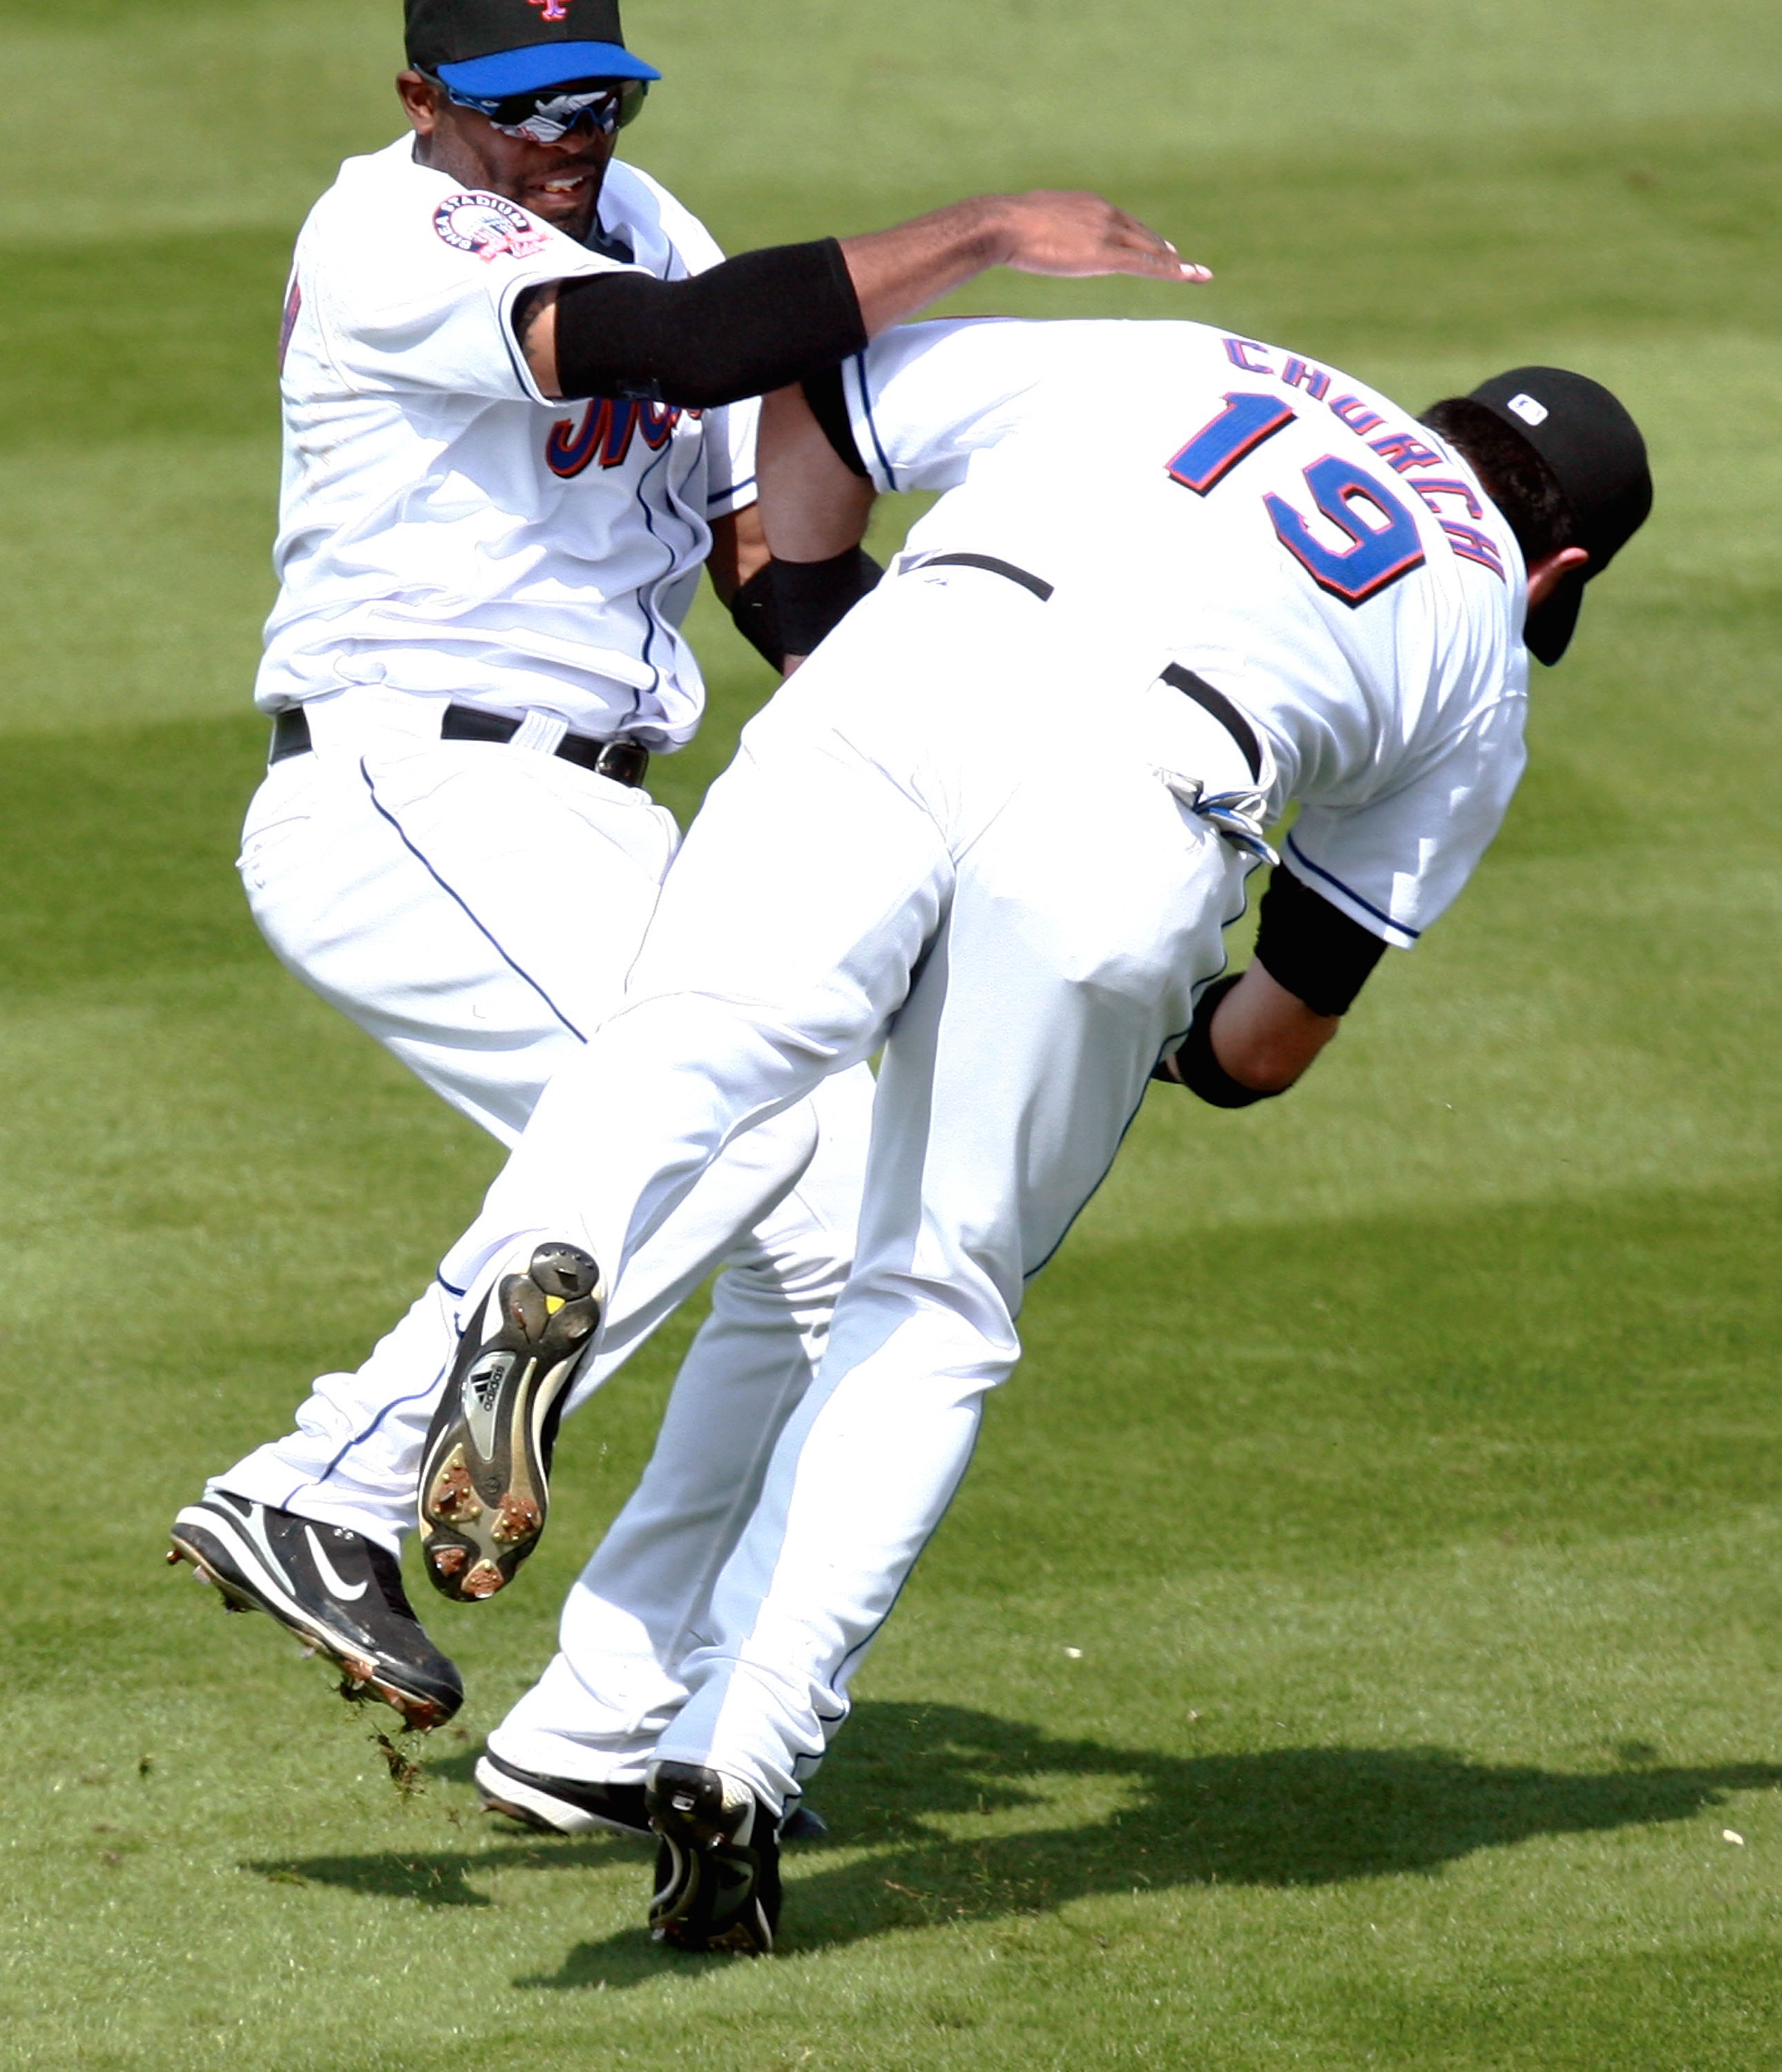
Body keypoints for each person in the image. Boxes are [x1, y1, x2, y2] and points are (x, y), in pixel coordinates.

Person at [410, 316, 1651, 1951]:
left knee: (685, 1057)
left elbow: (818, 413)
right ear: (1557, 564)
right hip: (1137, 810)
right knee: (931, 1300)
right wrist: (1165, 1052)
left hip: (917, 664)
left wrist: (813, 624)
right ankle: (738, 1744)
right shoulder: (1481, 643)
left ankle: (553, 1254)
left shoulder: (1210, 360)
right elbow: (1276, 1033)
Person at [166, 0, 1206, 1744]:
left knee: (835, 1223)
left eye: (607, 96)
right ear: (424, 96)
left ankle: (608, 1718)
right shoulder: (390, 231)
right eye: (528, 105)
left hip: (596, 815)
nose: (575, 132)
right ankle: (323, 1487)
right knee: (729, 1130)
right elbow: (682, 340)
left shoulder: (645, 213)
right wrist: (988, 231)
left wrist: (949, 765)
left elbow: (761, 545)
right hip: (412, 791)